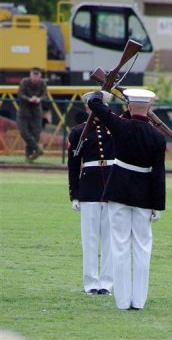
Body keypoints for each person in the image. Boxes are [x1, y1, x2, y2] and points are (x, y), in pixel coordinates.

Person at [87, 88, 166, 310]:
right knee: (142, 248)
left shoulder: (120, 125)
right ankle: (138, 301)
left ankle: (122, 301)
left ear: (129, 107)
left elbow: (95, 105)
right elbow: (159, 174)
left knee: (120, 246)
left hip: (119, 190)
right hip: (144, 195)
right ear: (149, 108)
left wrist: (103, 92)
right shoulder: (158, 137)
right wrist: (157, 205)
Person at [67, 92, 114, 296]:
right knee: (90, 238)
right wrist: (74, 194)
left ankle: (107, 283)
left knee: (110, 239)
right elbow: (73, 165)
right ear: (87, 108)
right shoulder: (78, 132)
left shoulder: (116, 127)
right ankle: (91, 283)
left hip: (112, 186)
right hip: (89, 186)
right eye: (93, 106)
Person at [16, 67, 47, 162]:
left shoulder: (42, 83)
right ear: (31, 75)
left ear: (40, 76)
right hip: (24, 111)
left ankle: (28, 157)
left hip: (36, 112)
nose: (35, 78)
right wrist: (29, 99)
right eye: (34, 75)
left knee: (36, 134)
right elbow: (20, 94)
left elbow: (45, 95)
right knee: (24, 132)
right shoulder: (24, 82)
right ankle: (37, 148)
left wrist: (39, 99)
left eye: (37, 76)